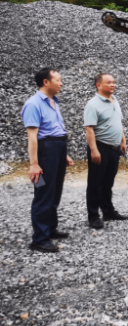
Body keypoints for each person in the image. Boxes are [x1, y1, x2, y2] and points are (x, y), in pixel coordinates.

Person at [21, 68, 74, 253]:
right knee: (43, 193)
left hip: (57, 149)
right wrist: (34, 164)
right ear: (46, 82)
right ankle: (39, 239)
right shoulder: (33, 104)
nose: (61, 83)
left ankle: (50, 228)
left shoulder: (54, 101)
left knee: (55, 191)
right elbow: (32, 137)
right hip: (45, 152)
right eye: (58, 80)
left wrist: (63, 153)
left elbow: (55, 129)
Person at [84, 73, 128, 230]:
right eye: (109, 82)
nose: (113, 85)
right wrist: (94, 150)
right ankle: (93, 216)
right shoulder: (93, 104)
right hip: (100, 147)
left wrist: (123, 140)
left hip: (114, 149)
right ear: (98, 85)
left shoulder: (114, 100)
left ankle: (108, 211)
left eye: (114, 82)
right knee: (95, 183)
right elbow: (89, 129)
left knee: (108, 182)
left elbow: (118, 122)